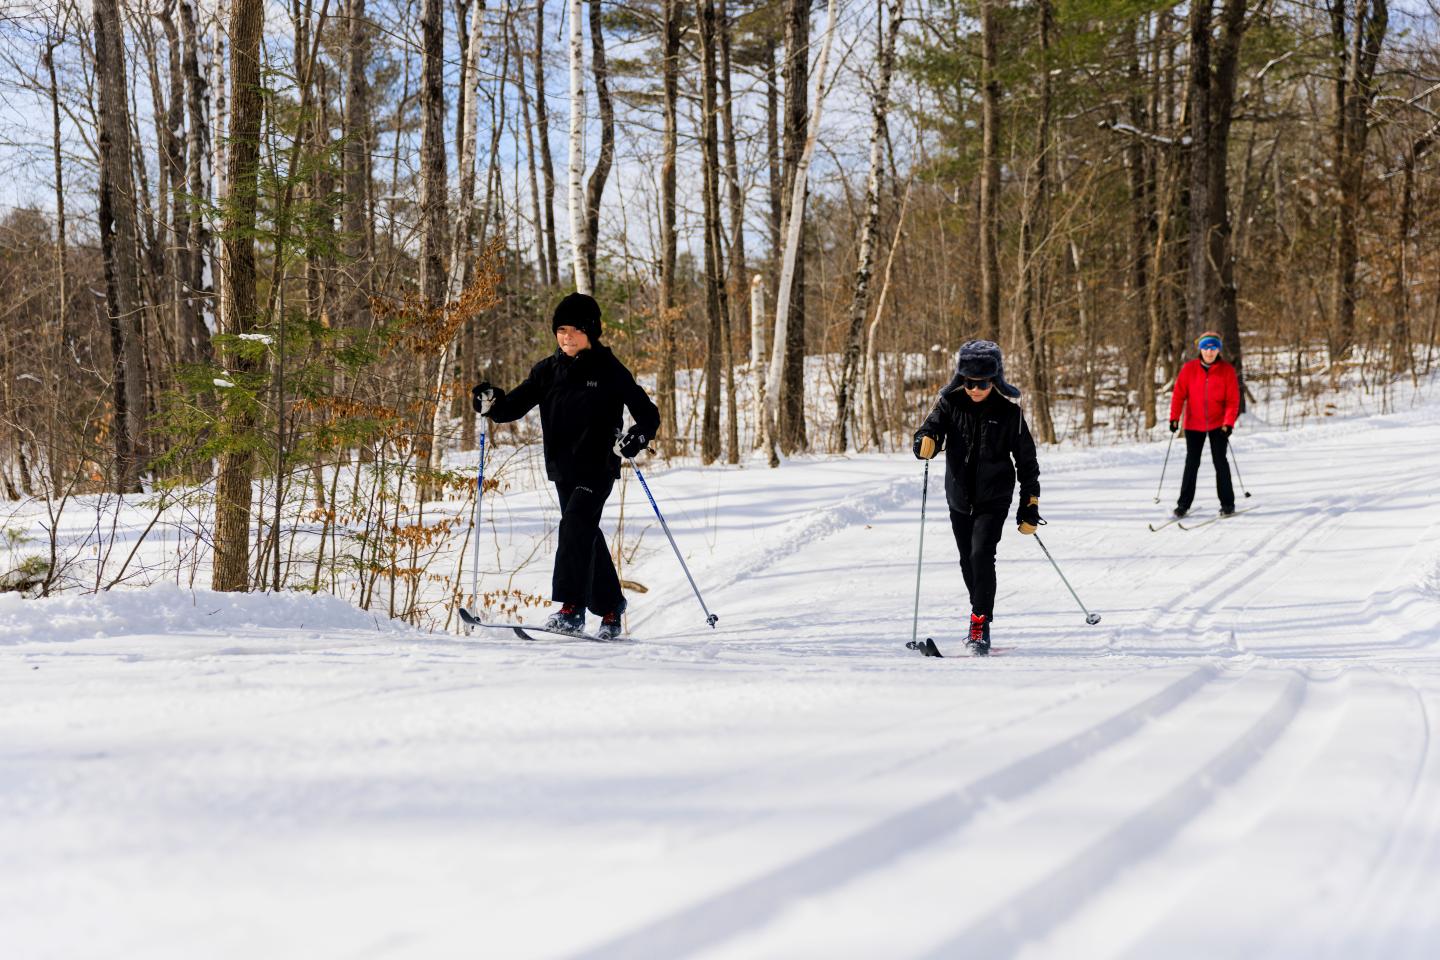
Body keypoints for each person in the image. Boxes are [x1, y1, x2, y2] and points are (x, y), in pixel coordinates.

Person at [472, 293, 660, 640]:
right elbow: (511, 406)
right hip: (563, 469)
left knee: (575, 524)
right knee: (584, 533)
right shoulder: (547, 371)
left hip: (598, 467)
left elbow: (647, 414)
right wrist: (490, 401)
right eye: (561, 329)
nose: (567, 337)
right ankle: (610, 606)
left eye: (575, 330)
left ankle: (570, 609)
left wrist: (637, 437)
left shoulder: (610, 369)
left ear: (591, 332)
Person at [912, 339, 1041, 655]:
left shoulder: (1009, 414)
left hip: (994, 498)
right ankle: (981, 612)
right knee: (968, 561)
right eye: (968, 382)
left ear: (994, 380)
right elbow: (928, 432)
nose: (975, 389)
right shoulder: (949, 405)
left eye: (982, 383)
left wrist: (1030, 504)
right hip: (958, 497)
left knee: (981, 555)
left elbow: (1027, 463)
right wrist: (924, 443)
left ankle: (979, 625)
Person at [1168, 331, 1240, 520]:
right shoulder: (1189, 369)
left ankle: (1227, 504)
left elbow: (1233, 400)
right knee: (1192, 463)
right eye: (1206, 348)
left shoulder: (1227, 371)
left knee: (1220, 462)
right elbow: (1178, 395)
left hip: (1218, 424)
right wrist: (1174, 418)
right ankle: (1183, 505)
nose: (1209, 352)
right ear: (1200, 349)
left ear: (1218, 350)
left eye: (1213, 348)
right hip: (1193, 423)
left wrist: (1228, 423)